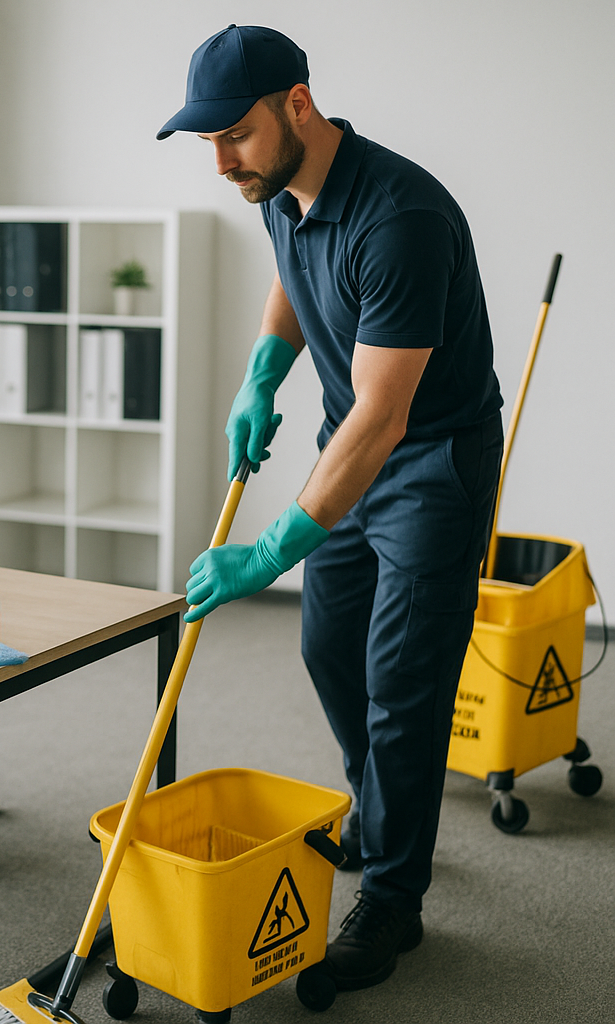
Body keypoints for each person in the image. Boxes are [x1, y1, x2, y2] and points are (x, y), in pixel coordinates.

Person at [158, 25, 504, 994]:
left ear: (296, 105)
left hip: (428, 458)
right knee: (325, 645)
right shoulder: (282, 186)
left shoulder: (401, 218)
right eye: (208, 144)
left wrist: (267, 551)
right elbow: (293, 275)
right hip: (350, 447)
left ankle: (393, 898)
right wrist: (261, 373)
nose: (222, 162)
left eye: (233, 135)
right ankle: (380, 808)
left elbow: (383, 417)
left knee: (403, 678)